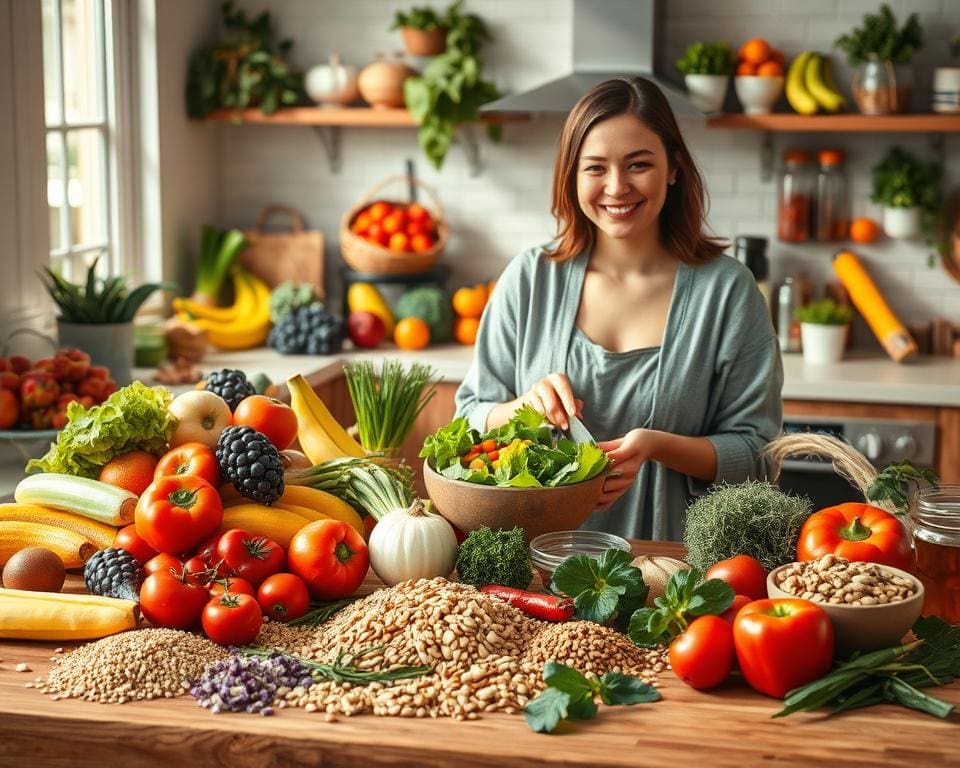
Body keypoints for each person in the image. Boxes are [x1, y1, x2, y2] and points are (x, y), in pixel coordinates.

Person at [454, 76, 783, 541]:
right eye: (595, 168)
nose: (616, 187)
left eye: (638, 164)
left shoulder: (728, 291)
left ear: (673, 168)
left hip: (673, 572)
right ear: (571, 175)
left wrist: (658, 447)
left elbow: (759, 454)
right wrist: (519, 409)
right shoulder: (530, 279)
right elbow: (467, 416)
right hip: (534, 566)